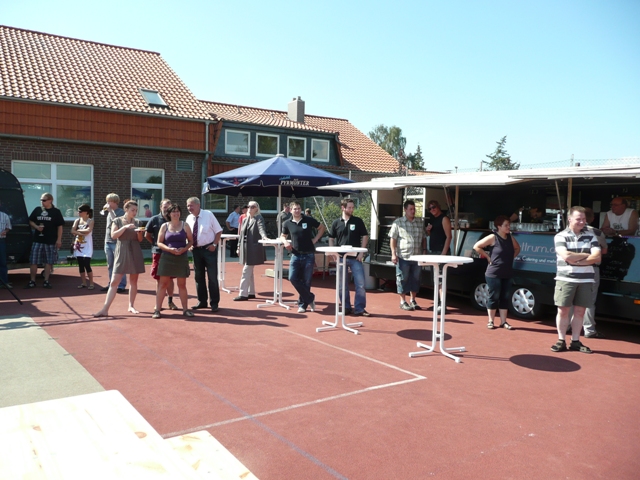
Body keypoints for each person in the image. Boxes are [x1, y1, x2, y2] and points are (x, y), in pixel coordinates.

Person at [550, 206, 602, 354]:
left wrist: (576, 260)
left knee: (580, 312)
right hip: (565, 278)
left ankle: (575, 341)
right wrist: (586, 256)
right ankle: (561, 340)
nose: (582, 222)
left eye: (584, 219)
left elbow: (597, 257)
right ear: (570, 219)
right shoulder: (560, 236)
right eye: (578, 219)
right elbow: (566, 256)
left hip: (586, 280)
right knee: (563, 311)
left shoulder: (591, 235)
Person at [93, 200, 145, 317]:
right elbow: (113, 235)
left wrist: (140, 233)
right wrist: (125, 227)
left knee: (134, 281)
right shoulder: (117, 220)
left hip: (135, 250)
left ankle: (131, 306)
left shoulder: (138, 222)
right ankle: (105, 309)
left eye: (136, 210)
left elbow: (140, 240)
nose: (135, 212)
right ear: (126, 209)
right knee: (114, 281)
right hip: (122, 250)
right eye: (132, 210)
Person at [473, 215, 521, 329]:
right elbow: (477, 246)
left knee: (505, 296)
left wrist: (511, 257)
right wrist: (487, 257)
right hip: (494, 273)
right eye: (506, 225)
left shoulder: (510, 238)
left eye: (509, 225)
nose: (508, 227)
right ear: (499, 226)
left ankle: (503, 321)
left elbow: (518, 248)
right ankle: (491, 321)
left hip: (507, 272)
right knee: (494, 296)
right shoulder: (493, 237)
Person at [328, 198, 370, 317]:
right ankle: (346, 307)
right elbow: (331, 238)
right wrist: (333, 253)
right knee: (342, 285)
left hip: (355, 258)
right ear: (343, 208)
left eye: (352, 207)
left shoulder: (358, 221)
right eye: (349, 207)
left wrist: (361, 252)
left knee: (360, 284)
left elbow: (365, 236)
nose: (351, 210)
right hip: (341, 258)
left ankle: (359, 308)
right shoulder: (336, 223)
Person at [281, 201, 326, 313]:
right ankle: (310, 298)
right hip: (295, 254)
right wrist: (285, 242)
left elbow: (322, 228)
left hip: (308, 254)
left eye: (299, 208)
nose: (297, 211)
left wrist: (315, 239)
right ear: (290, 210)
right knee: (292, 278)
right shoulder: (287, 223)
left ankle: (302, 305)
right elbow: (283, 235)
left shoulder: (308, 220)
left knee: (306, 281)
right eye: (295, 209)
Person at [153, 204, 194, 319]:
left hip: (181, 258)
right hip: (167, 257)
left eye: (177, 211)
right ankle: (157, 310)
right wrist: (169, 249)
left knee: (182, 285)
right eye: (173, 211)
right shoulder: (164, 226)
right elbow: (159, 242)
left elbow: (191, 241)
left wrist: (184, 249)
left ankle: (185, 310)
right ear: (169, 214)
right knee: (163, 284)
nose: (176, 213)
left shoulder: (185, 225)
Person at [575, 208, 608, 338]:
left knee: (572, 299)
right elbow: (604, 250)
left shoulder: (569, 231)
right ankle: (589, 329)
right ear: (592, 219)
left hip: (574, 267)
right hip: (591, 268)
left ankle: (569, 326)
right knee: (589, 300)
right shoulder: (597, 232)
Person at [186, 196, 223, 312]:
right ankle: (202, 301)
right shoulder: (189, 218)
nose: (189, 208)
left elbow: (218, 231)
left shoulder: (208, 215)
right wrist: (188, 244)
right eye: (188, 206)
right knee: (198, 277)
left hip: (209, 250)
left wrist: (214, 245)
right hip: (196, 251)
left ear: (198, 205)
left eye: (191, 205)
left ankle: (214, 303)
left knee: (212, 277)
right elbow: (187, 234)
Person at [389, 200, 427, 311]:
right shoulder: (398, 222)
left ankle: (413, 300)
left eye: (414, 209)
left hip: (417, 256)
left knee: (416, 278)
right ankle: (402, 301)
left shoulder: (420, 222)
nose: (413, 211)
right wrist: (393, 254)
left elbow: (424, 237)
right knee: (402, 278)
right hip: (403, 256)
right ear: (405, 210)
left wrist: (424, 250)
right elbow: (393, 238)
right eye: (410, 209)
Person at [25, 192, 64, 289]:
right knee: (33, 261)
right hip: (38, 240)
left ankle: (46, 281)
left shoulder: (56, 212)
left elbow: (60, 226)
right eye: (41, 200)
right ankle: (32, 281)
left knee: (48, 261)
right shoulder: (37, 209)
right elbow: (30, 220)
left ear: (50, 200)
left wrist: (59, 239)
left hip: (50, 240)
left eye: (44, 200)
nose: (42, 202)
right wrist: (36, 227)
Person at [145, 199, 177, 311]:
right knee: (159, 279)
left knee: (170, 278)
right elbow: (147, 235)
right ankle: (158, 303)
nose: (166, 209)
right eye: (165, 207)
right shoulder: (154, 219)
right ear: (160, 207)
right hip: (158, 252)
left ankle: (170, 301)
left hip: (171, 253)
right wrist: (156, 244)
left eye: (169, 207)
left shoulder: (174, 219)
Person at [234, 201, 268, 301]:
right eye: (249, 206)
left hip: (253, 248)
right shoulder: (245, 219)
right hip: (245, 247)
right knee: (250, 271)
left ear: (257, 208)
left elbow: (261, 228)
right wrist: (238, 246)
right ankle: (251, 292)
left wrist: (264, 237)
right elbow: (241, 235)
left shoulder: (259, 218)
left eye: (252, 207)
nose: (250, 208)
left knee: (246, 270)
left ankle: (243, 294)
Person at [425, 200, 452, 312]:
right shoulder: (432, 219)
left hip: (441, 252)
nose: (432, 209)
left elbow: (449, 237)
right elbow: (433, 234)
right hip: (433, 251)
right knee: (435, 278)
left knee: (441, 278)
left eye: (434, 207)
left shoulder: (444, 218)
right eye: (430, 208)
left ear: (438, 206)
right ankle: (438, 303)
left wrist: (443, 254)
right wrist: (428, 231)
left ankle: (442, 304)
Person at [102, 193, 127, 293]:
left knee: (119, 264)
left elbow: (116, 222)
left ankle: (121, 285)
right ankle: (111, 284)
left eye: (109, 201)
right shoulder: (109, 212)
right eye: (107, 201)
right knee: (110, 264)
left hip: (116, 242)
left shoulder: (120, 212)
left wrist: (110, 211)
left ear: (115, 202)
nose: (107, 203)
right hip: (108, 241)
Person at [71, 204, 95, 290]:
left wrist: (77, 231)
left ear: (86, 212)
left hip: (87, 246)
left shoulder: (90, 221)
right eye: (78, 211)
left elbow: (88, 230)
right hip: (79, 245)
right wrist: (80, 232)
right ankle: (84, 283)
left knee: (87, 264)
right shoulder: (77, 221)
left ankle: (91, 283)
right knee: (81, 265)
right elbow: (72, 230)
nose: (78, 213)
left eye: (80, 211)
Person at [0, 202, 12, 288]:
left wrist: (5, 231)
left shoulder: (5, 216)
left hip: (1, 240)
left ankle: (4, 282)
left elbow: (8, 227)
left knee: (2, 262)